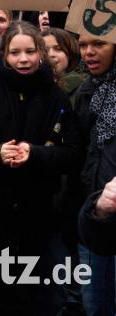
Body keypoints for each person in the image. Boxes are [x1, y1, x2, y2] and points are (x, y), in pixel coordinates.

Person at [0, 22, 82, 315]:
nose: (23, 59)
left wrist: (34, 154)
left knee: (36, 296)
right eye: (15, 52)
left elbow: (73, 153)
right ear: (4, 56)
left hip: (38, 215)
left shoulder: (56, 97)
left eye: (30, 52)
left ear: (40, 55)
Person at [75, 34, 116, 315]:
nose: (89, 52)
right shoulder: (86, 91)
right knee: (95, 306)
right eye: (83, 45)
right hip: (95, 213)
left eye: (99, 44)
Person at [41, 28, 86, 101]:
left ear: (71, 53)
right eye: (45, 50)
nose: (50, 54)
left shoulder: (84, 89)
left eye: (58, 49)